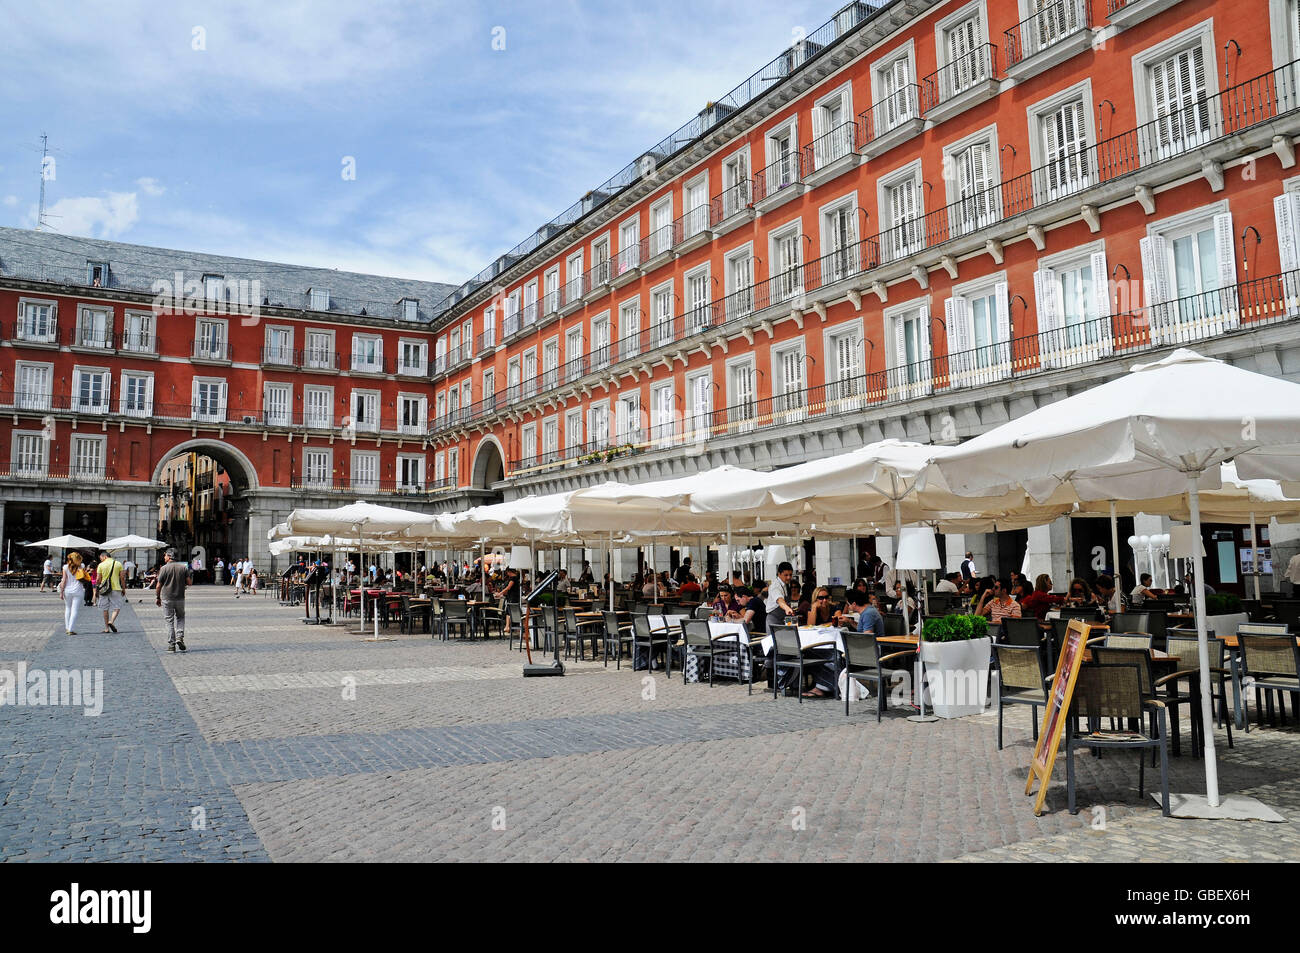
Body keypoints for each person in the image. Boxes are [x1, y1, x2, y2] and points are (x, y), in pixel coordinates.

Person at [155, 547, 191, 652]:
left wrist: (158, 597)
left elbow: (158, 586)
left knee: (169, 621)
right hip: (180, 598)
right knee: (180, 618)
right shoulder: (183, 567)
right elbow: (189, 583)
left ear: (170, 556)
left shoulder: (164, 569)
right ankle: (180, 637)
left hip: (167, 598)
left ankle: (171, 645)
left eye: (165, 555)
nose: (164, 556)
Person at [96, 550, 126, 633]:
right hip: (116, 588)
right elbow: (122, 578)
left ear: (105, 556)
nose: (101, 560)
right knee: (117, 607)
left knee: (105, 609)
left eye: (101, 558)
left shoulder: (101, 565)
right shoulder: (118, 564)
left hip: (104, 589)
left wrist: (97, 588)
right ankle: (111, 621)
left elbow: (98, 579)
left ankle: (106, 628)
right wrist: (123, 588)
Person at [58, 553, 87, 635]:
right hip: (78, 590)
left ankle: (67, 628)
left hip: (67, 590)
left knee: (67, 608)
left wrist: (61, 592)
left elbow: (64, 580)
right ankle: (71, 629)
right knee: (75, 610)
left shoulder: (65, 567)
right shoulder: (81, 566)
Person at [764, 562, 796, 635]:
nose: (789, 577)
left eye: (790, 575)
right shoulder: (775, 586)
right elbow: (779, 600)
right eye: (786, 575)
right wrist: (786, 608)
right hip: (773, 620)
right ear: (779, 574)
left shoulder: (785, 585)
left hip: (784, 620)